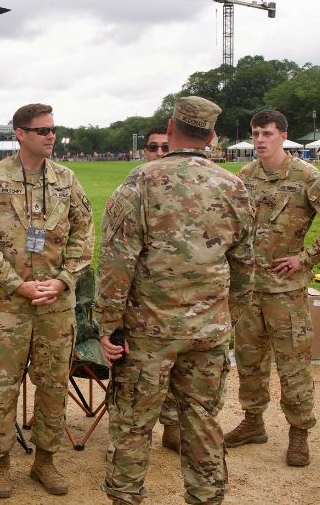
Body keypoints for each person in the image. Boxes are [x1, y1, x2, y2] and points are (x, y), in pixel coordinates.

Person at [97, 96, 254, 504]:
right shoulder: (233, 186)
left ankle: (126, 497)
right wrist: (226, 317)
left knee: (133, 424)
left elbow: (117, 262)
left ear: (170, 128)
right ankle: (206, 497)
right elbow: (245, 264)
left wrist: (109, 325)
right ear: (213, 135)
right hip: (208, 330)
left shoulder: (141, 182)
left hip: (149, 332)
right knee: (202, 420)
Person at [0, 103, 93, 499]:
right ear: (20, 134)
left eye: (53, 129)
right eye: (42, 131)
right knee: (3, 388)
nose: (51, 136)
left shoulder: (67, 179)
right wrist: (16, 284)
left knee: (54, 384)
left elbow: (84, 235)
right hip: (9, 304)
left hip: (56, 304)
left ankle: (45, 460)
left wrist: (63, 280)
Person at [225, 110, 320, 466]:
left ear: (284, 135)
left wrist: (306, 257)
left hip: (285, 290)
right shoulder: (245, 176)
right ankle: (253, 423)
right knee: (250, 361)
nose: (260, 139)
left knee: (293, 364)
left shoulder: (307, 177)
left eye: (267, 133)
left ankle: (299, 433)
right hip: (250, 290)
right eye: (255, 133)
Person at [138, 125, 183, 452]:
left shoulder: (194, 185)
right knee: (146, 369)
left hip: (186, 295)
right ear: (144, 152)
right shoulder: (135, 186)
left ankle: (173, 424)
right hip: (147, 296)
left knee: (182, 366)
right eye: (153, 148)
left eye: (165, 148)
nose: (158, 154)